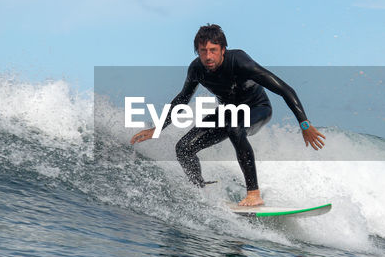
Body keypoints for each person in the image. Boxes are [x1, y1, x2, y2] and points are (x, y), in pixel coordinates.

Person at [130, 24, 325, 207]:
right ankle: (200, 191)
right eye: (203, 51)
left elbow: (284, 89)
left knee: (235, 128)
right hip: (228, 112)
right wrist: (157, 129)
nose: (208, 56)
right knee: (183, 148)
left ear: (223, 49)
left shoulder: (240, 62)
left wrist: (304, 125)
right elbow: (182, 98)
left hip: (258, 108)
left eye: (213, 50)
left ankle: (254, 194)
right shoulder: (197, 69)